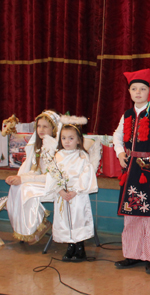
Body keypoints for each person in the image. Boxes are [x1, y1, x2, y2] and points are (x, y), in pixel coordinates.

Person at [113, 68, 150, 274]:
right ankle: (131, 254)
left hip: (149, 173)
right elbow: (117, 136)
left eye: (142, 89)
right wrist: (120, 152)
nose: (138, 92)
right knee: (132, 214)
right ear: (129, 92)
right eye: (134, 89)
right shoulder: (127, 115)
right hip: (131, 172)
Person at [44, 117, 98, 261]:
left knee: (78, 219)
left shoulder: (82, 156)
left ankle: (80, 248)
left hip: (77, 195)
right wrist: (60, 190)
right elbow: (53, 174)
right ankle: (70, 246)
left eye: (71, 138)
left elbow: (86, 175)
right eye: (63, 138)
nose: (67, 141)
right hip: (62, 196)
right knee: (64, 220)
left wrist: (75, 191)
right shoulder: (58, 156)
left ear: (79, 140)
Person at [5, 110, 61, 244]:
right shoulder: (39, 147)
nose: (40, 130)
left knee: (26, 189)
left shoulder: (56, 149)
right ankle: (25, 230)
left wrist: (23, 179)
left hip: (55, 185)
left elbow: (51, 177)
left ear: (54, 129)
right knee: (17, 187)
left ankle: (39, 224)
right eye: (39, 126)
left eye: (45, 126)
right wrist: (19, 178)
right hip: (43, 182)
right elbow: (36, 172)